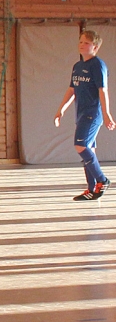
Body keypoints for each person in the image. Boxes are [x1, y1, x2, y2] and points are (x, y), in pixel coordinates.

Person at [54, 30, 116, 201]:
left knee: (80, 145)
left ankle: (102, 180)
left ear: (95, 47)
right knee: (89, 149)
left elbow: (103, 90)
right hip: (80, 112)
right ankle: (91, 189)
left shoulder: (98, 65)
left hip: (93, 113)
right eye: (81, 42)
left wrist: (107, 114)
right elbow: (72, 89)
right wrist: (61, 109)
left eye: (86, 43)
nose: (82, 45)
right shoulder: (77, 66)